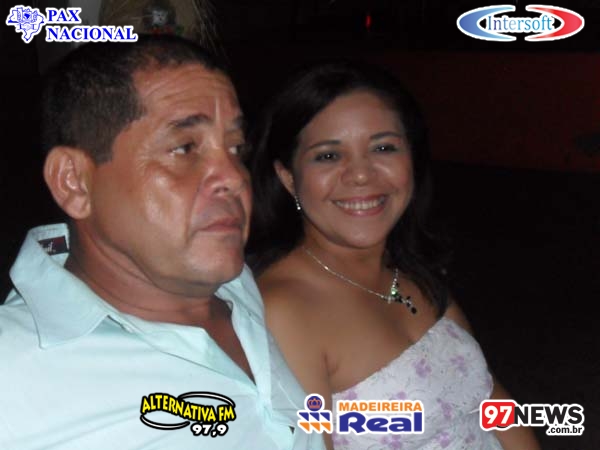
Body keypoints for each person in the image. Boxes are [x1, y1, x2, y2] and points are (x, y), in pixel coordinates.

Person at [0, 35, 325, 450]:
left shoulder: (241, 289)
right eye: (185, 148)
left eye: (235, 148)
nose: (234, 177)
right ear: (75, 182)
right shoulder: (13, 373)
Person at [246, 60, 541, 449]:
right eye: (328, 156)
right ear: (288, 177)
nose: (361, 174)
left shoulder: (408, 265)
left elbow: (490, 401)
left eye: (383, 148)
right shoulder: (284, 311)